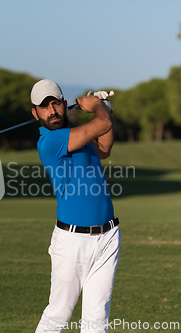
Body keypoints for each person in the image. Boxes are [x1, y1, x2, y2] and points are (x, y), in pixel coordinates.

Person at [31, 79, 121, 333]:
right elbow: (102, 124)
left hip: (107, 237)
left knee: (97, 318)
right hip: (72, 243)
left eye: (55, 103)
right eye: (44, 106)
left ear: (64, 104)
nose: (52, 111)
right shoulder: (50, 142)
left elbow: (103, 148)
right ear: (35, 113)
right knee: (59, 313)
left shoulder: (79, 136)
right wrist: (97, 107)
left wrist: (106, 108)